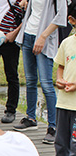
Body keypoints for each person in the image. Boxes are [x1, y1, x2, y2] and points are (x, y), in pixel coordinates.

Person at [13, 0, 68, 144]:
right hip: (28, 35)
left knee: (46, 84)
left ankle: (53, 127)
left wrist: (43, 36)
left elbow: (62, 15)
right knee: (30, 80)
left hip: (45, 37)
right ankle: (30, 118)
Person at [51, 2, 76, 156]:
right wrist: (60, 79)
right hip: (64, 103)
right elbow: (60, 66)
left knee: (75, 148)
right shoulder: (67, 43)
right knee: (61, 143)